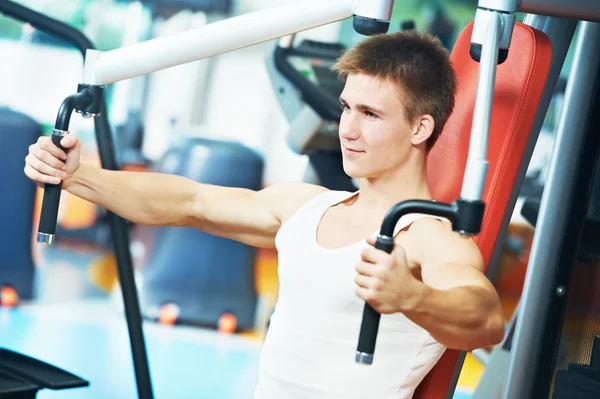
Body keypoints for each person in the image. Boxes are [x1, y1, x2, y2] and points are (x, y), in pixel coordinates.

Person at [24, 30, 505, 398]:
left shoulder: (425, 237)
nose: (347, 129)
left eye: (371, 114)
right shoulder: (305, 205)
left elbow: (484, 319)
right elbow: (191, 202)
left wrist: (412, 295)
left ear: (420, 128)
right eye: (345, 109)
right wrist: (78, 176)